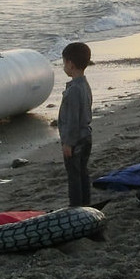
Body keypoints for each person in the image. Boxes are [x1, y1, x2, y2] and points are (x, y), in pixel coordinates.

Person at [58, 41, 94, 207]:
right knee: (82, 172)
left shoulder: (73, 90)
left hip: (76, 140)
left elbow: (73, 119)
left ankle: (76, 207)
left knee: (74, 175)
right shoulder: (85, 85)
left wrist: (68, 143)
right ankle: (85, 204)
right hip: (86, 136)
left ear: (70, 64)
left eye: (64, 62)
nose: (63, 66)